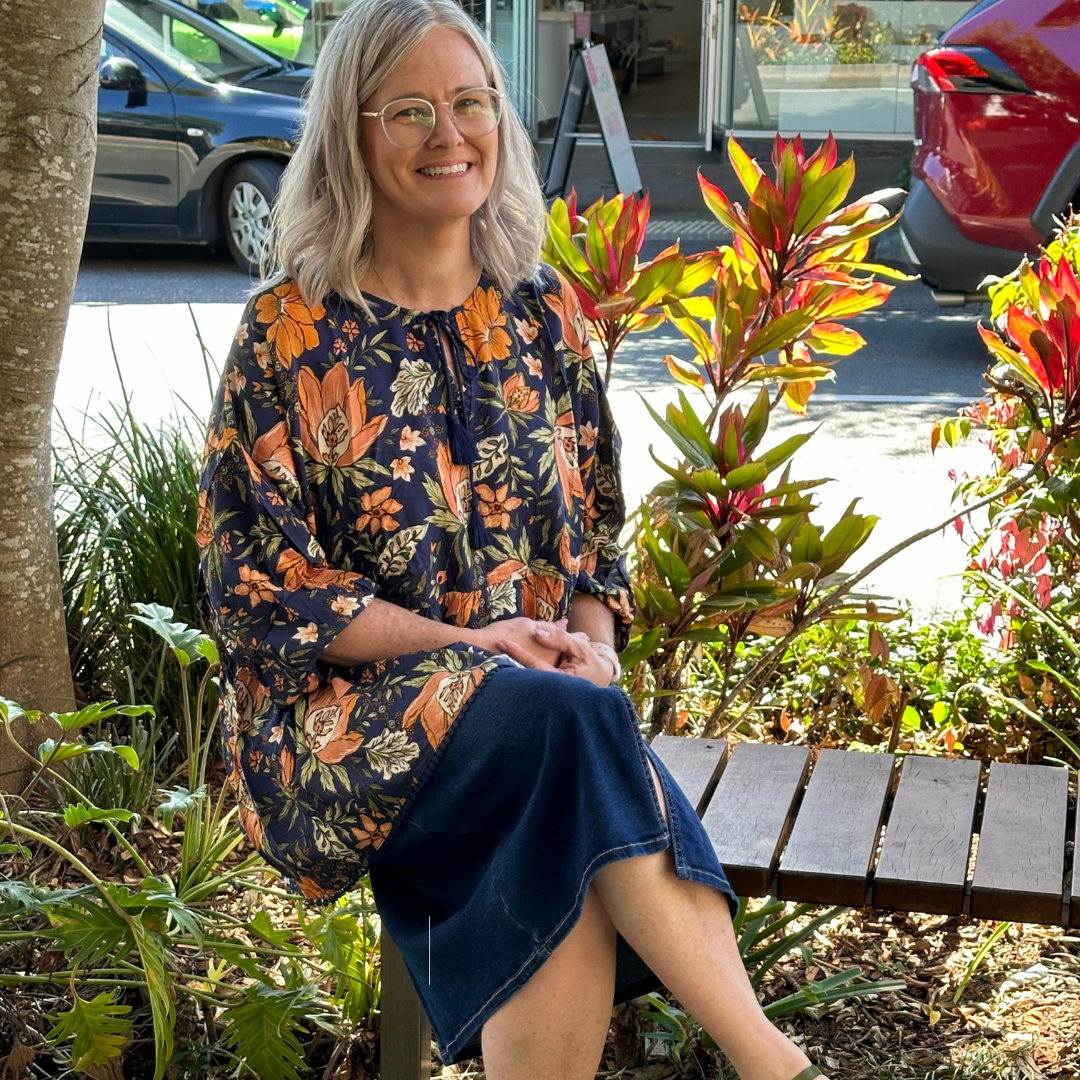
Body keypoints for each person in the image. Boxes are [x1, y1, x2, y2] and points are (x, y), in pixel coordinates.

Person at [196, 1, 830, 1077]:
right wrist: (474, 652)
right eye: (409, 110)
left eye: (470, 103)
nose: (449, 134)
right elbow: (261, 589)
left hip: (531, 720)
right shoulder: (290, 332)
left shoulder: (544, 313)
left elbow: (595, 537)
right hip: (345, 727)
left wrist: (595, 642)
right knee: (567, 729)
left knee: (561, 766)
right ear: (350, 135)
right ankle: (772, 1060)